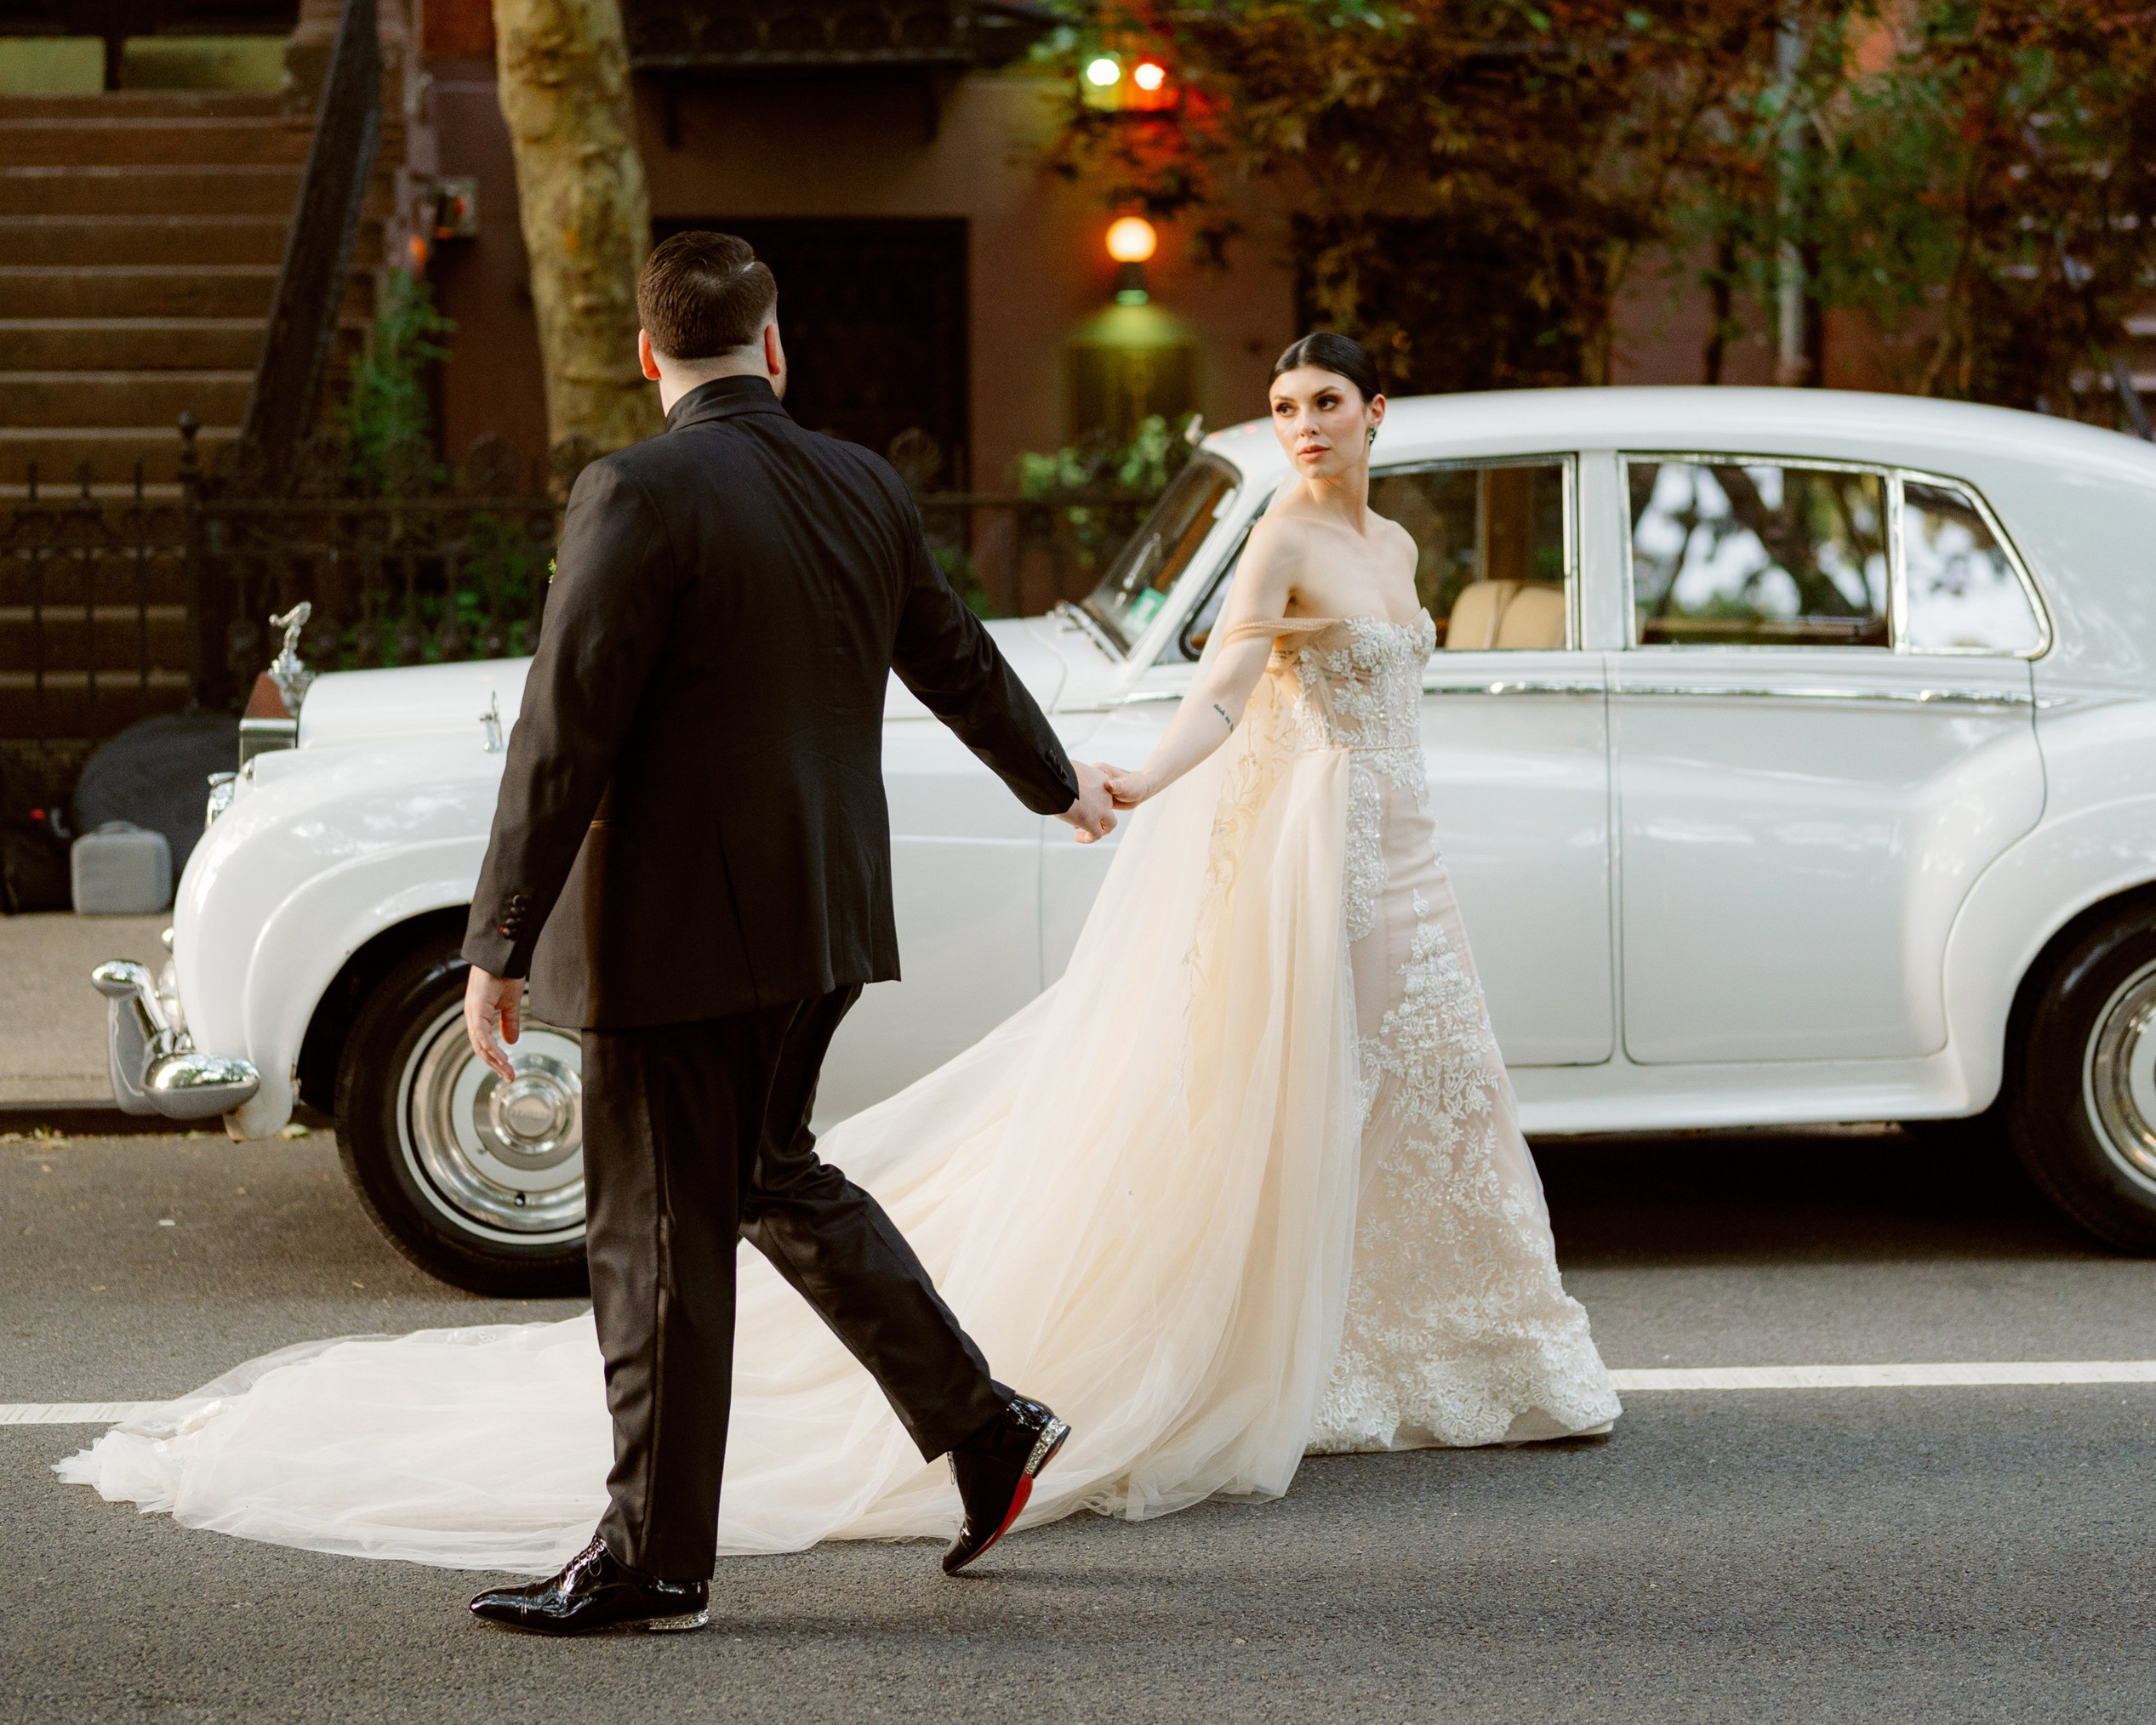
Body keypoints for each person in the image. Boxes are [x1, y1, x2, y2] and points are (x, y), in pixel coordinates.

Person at [61, 324, 1616, 1593]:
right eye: (1287, 405)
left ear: (650, 353)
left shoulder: (632, 488)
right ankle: (983, 1423)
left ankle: (654, 1560)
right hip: (821, 919)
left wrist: (499, 935)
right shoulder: (861, 482)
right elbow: (953, 654)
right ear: (779, 346)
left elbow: (561, 727)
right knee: (768, 1176)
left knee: (650, 1230)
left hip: (677, 929)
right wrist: (1059, 782)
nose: (1303, 424)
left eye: (1324, 403)